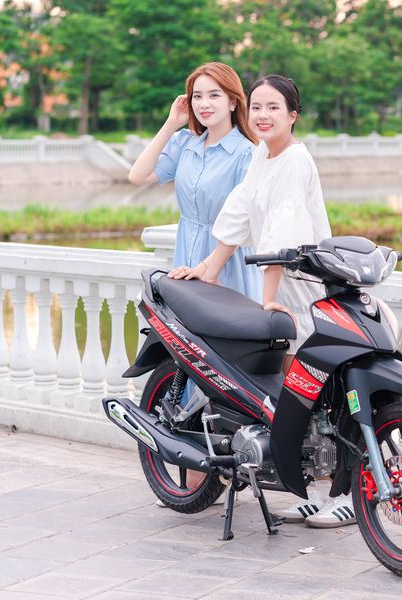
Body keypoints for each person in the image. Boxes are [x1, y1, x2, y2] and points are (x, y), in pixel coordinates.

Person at [169, 75, 354, 529]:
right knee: (299, 393)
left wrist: (268, 298)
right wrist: (209, 267)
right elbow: (239, 209)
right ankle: (315, 492)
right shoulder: (262, 155)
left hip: (301, 290)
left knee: (320, 392)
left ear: (293, 115)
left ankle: (343, 494)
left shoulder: (293, 160)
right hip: (282, 288)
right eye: (256, 107)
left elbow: (281, 234)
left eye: (273, 107)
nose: (263, 115)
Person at [128, 62, 261, 498]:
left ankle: (231, 459)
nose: (204, 104)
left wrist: (212, 266)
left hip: (226, 262)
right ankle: (196, 466)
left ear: (234, 101)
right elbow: (138, 175)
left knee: (225, 364)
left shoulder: (246, 153)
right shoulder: (186, 144)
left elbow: (244, 220)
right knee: (189, 357)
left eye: (214, 95)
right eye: (197, 96)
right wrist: (171, 123)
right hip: (186, 261)